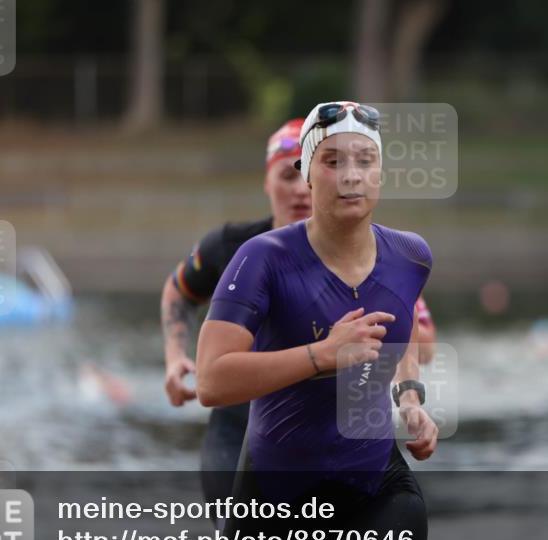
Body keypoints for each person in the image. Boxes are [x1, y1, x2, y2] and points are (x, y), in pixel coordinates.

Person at [195, 101, 438, 540]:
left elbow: (403, 341)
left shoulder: (411, 256)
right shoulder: (261, 258)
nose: (351, 175)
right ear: (307, 172)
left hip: (375, 490)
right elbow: (211, 379)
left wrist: (413, 402)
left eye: (365, 160)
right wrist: (322, 355)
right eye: (331, 160)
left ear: (381, 172)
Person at [160, 119, 437, 517]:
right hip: (239, 423)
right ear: (270, 181)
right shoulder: (234, 249)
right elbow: (178, 291)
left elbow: (413, 334)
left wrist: (407, 392)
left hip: (331, 434)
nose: (296, 188)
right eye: (285, 173)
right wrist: (174, 357)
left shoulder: (381, 255)